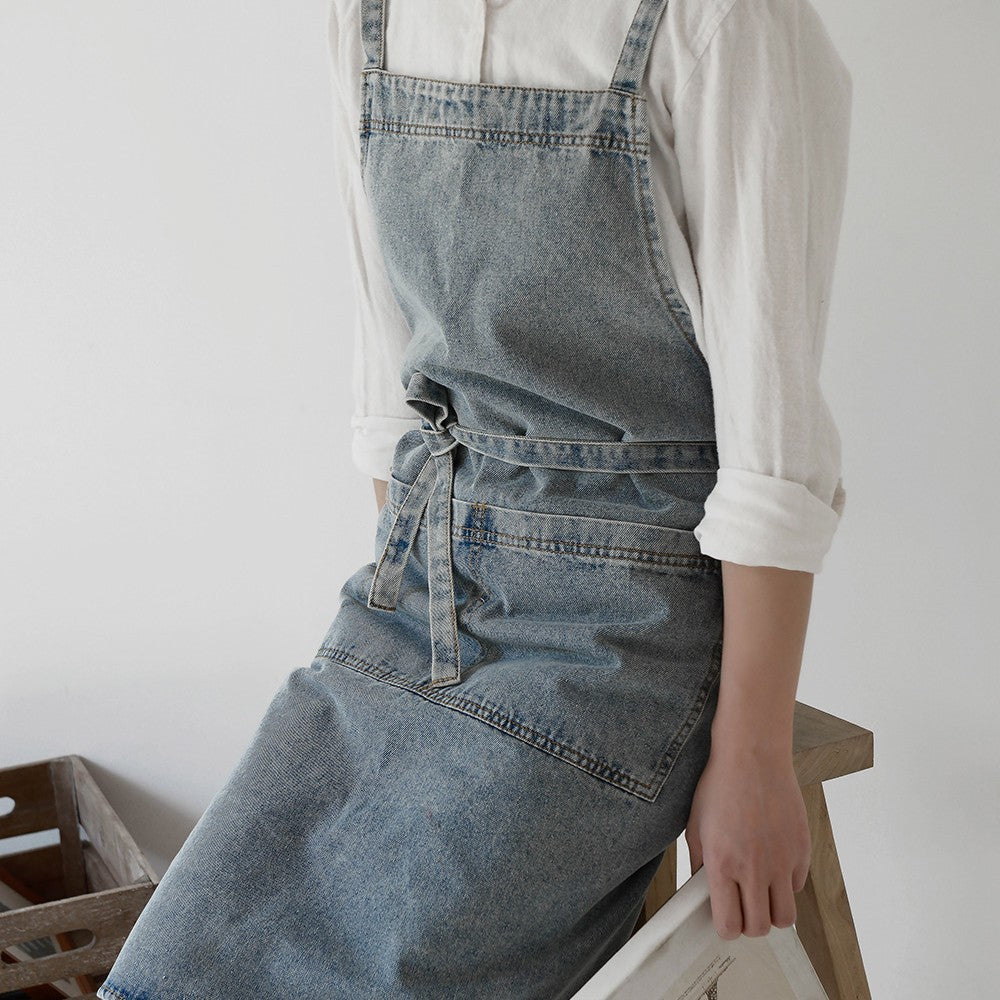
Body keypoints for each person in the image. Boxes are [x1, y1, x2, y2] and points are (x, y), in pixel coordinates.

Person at [97, 0, 852, 997]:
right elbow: (385, 382)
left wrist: (750, 752)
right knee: (175, 966)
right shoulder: (369, 17)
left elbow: (772, 444)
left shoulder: (714, 17)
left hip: (630, 621)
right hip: (422, 577)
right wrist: (411, 657)